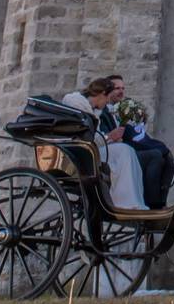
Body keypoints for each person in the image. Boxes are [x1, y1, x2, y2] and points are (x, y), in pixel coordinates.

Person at [62, 78, 148, 210]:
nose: (108, 102)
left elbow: (96, 138)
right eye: (107, 98)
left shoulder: (93, 111)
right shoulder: (77, 106)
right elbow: (86, 139)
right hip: (81, 153)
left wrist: (111, 138)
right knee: (124, 151)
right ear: (102, 93)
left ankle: (132, 201)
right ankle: (125, 203)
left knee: (126, 150)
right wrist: (109, 136)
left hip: (91, 150)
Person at [105, 75, 174, 209]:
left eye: (123, 88)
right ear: (108, 90)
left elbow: (136, 134)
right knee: (155, 155)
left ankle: (160, 203)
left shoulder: (123, 108)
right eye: (117, 88)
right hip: (116, 155)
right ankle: (152, 204)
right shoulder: (106, 110)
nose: (121, 91)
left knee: (166, 159)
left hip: (130, 148)